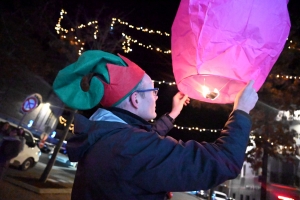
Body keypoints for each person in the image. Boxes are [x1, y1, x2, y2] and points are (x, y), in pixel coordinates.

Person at [53, 50, 258, 200]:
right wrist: (241, 111)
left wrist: (174, 113)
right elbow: (221, 162)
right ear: (135, 99)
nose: (156, 95)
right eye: (152, 90)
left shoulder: (107, 134)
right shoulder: (129, 147)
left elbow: (142, 139)